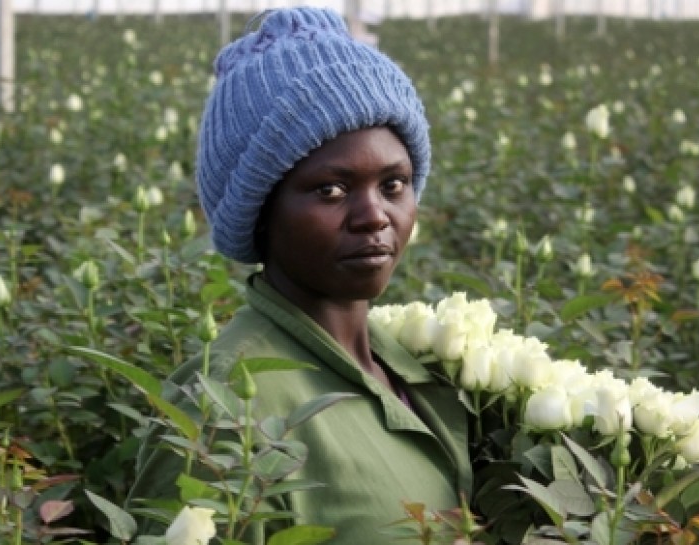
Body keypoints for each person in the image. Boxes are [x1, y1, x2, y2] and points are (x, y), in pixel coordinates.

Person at [128, 7, 472, 543]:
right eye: (330, 190)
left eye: (394, 184)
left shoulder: (421, 369)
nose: (374, 216)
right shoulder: (226, 405)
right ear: (259, 211)